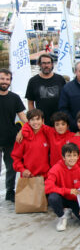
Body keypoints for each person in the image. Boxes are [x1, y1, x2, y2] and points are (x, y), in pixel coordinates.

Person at [45, 143, 80, 231]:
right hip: (62, 198)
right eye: (69, 155)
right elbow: (48, 188)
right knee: (53, 198)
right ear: (63, 157)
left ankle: (70, 210)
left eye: (74, 155)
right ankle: (62, 217)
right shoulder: (55, 169)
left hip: (74, 200)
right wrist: (68, 191)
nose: (72, 158)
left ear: (78, 156)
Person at [0, 68, 27, 202]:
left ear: (10, 81)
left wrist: (22, 131)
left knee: (11, 168)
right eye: (2, 79)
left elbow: (24, 119)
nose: (4, 82)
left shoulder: (14, 98)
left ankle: (9, 192)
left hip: (11, 138)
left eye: (7, 79)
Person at [25, 54, 66, 125]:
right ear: (39, 64)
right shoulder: (33, 81)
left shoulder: (60, 79)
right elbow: (30, 102)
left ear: (52, 64)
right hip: (41, 122)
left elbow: (66, 99)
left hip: (59, 121)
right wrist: (34, 119)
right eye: (43, 63)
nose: (46, 65)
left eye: (48, 63)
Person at [12, 109, 50, 178]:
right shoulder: (22, 137)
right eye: (32, 120)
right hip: (28, 177)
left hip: (45, 176)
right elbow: (16, 157)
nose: (35, 122)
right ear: (28, 122)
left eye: (38, 119)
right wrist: (22, 170)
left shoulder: (48, 133)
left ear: (43, 121)